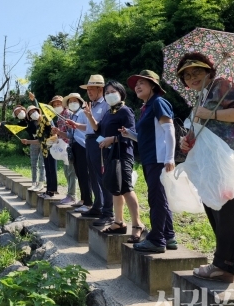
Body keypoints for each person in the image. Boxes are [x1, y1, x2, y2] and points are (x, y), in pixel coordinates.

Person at [177, 53, 234, 283]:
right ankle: (226, 264)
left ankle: (225, 265)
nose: (192, 77)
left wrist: (211, 113)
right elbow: (197, 130)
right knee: (216, 207)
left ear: (209, 71)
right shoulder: (201, 98)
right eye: (187, 75)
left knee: (233, 212)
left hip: (233, 154)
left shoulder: (221, 85)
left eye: (197, 71)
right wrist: (185, 141)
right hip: (212, 160)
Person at [121, 70, 176, 253]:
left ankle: (157, 240)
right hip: (150, 158)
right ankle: (168, 236)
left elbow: (169, 129)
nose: (137, 86)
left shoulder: (158, 102)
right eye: (136, 84)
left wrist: (170, 157)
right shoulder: (146, 107)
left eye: (142, 83)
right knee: (160, 197)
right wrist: (129, 134)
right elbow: (146, 137)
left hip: (159, 159)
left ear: (153, 85)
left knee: (157, 199)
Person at [91, 81, 145, 239]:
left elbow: (131, 134)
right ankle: (118, 222)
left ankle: (137, 224)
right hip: (110, 155)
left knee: (126, 189)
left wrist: (112, 139)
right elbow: (98, 130)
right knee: (115, 189)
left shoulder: (125, 111)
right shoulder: (109, 113)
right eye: (106, 93)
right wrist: (89, 117)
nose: (109, 95)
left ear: (121, 93)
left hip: (123, 154)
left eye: (113, 91)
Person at [66, 75, 112, 226]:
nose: (89, 92)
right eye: (88, 89)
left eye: (92, 88)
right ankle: (97, 206)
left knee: (102, 176)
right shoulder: (91, 105)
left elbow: (100, 128)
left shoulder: (106, 104)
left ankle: (107, 210)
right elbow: (89, 127)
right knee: (93, 176)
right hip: (89, 140)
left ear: (100, 89)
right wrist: (76, 125)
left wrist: (90, 118)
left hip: (99, 141)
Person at [59, 93, 93, 212]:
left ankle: (88, 202)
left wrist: (76, 126)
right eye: (70, 101)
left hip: (83, 145)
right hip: (74, 146)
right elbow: (69, 135)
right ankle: (83, 199)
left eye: (75, 101)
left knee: (84, 174)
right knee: (79, 173)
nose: (72, 103)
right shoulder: (72, 116)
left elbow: (90, 128)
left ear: (80, 102)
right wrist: (59, 132)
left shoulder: (84, 113)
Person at [21, 103, 58, 198]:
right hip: (44, 149)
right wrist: (28, 141)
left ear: (38, 111)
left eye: (34, 111)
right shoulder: (37, 125)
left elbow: (54, 133)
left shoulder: (46, 118)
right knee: (48, 169)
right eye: (30, 113)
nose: (33, 113)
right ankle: (48, 190)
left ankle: (52, 191)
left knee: (52, 169)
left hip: (51, 147)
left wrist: (52, 142)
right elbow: (40, 140)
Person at [49, 95, 78, 205]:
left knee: (71, 172)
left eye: (58, 103)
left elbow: (71, 134)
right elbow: (61, 133)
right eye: (54, 104)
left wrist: (59, 133)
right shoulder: (59, 116)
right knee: (66, 172)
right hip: (62, 148)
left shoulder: (68, 115)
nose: (56, 106)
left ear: (63, 104)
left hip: (70, 147)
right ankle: (69, 194)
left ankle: (72, 195)